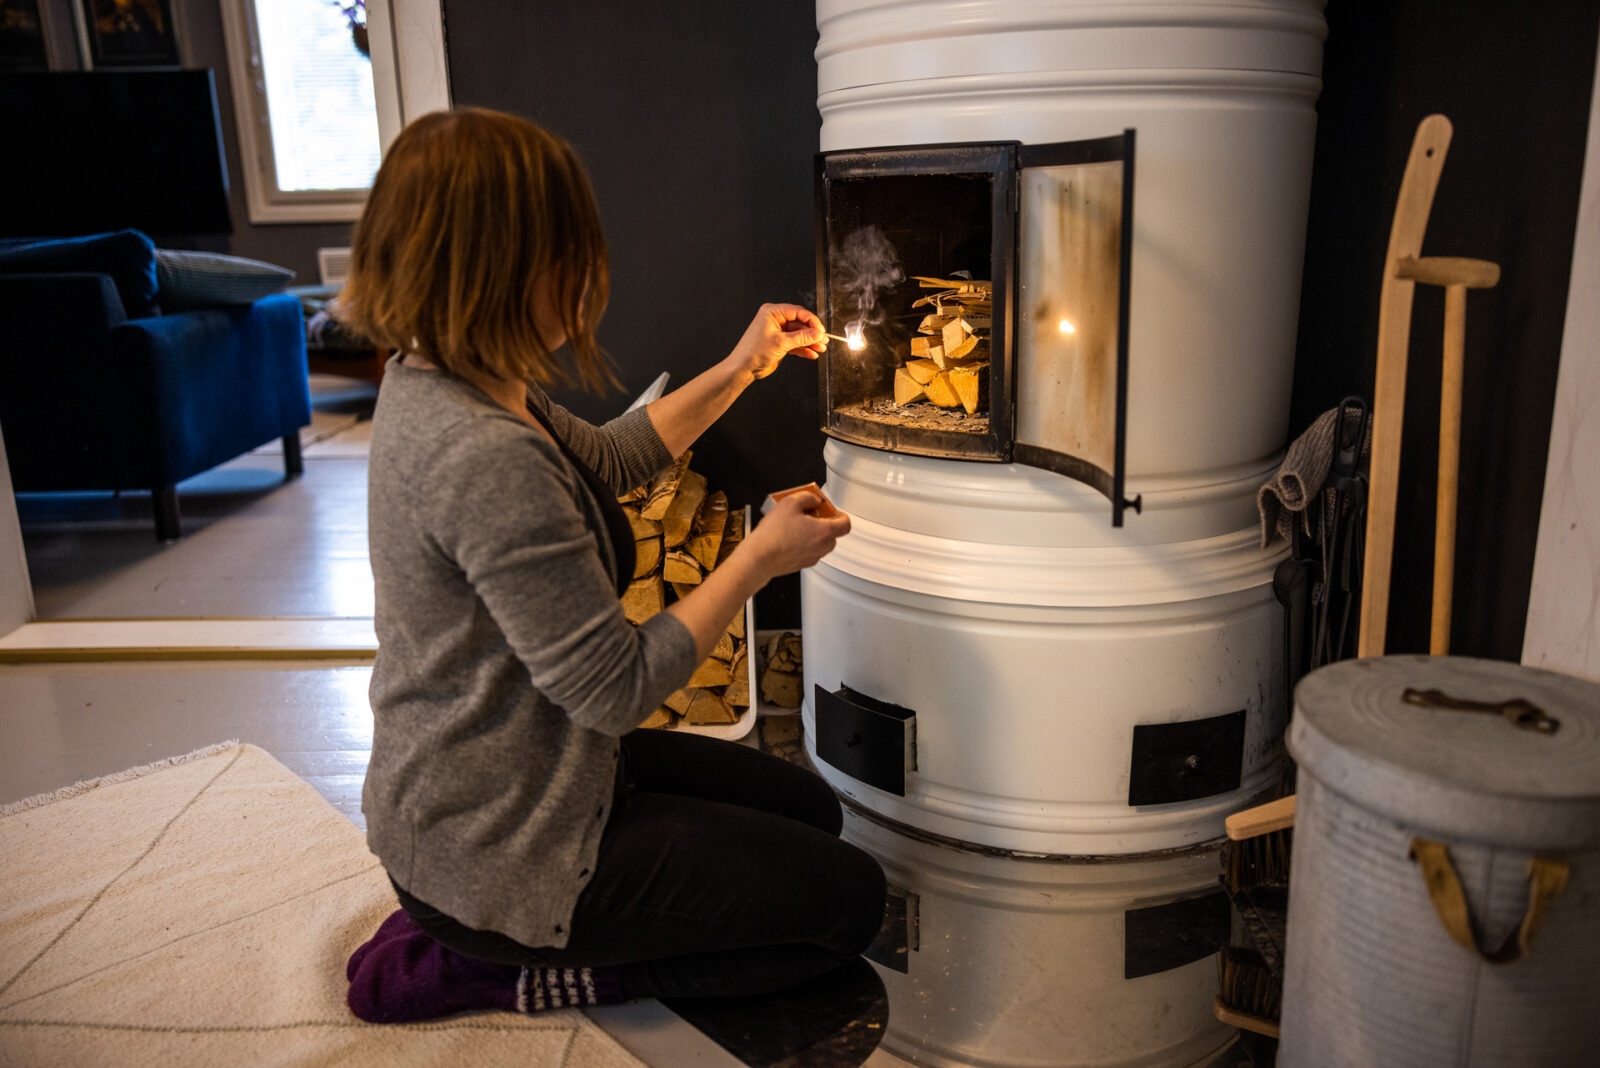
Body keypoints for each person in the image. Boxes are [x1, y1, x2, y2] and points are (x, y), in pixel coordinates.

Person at [337, 107, 886, 1022]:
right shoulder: (481, 454)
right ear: (509, 266)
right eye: (575, 249)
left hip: (519, 777)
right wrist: (759, 558)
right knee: (848, 908)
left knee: (813, 815)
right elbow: (616, 690)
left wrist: (743, 366)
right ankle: (504, 965)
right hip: (506, 842)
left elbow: (612, 457)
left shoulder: (447, 375)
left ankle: (473, 922)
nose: (595, 271)